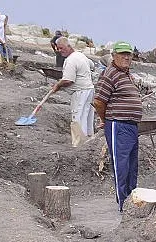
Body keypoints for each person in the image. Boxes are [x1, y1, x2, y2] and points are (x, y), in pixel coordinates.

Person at [93, 41, 143, 212]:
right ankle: (123, 204)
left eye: (128, 54)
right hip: (118, 124)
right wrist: (104, 119)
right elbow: (99, 101)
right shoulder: (110, 74)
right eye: (122, 54)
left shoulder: (127, 75)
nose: (126, 57)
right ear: (114, 56)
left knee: (132, 166)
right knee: (121, 166)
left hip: (131, 125)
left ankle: (132, 202)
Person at [49, 37, 95, 146]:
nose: (59, 50)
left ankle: (79, 144)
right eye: (58, 48)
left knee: (78, 117)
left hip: (80, 92)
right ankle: (89, 141)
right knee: (87, 116)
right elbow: (92, 65)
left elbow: (68, 80)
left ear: (69, 46)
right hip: (89, 90)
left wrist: (58, 85)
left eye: (61, 48)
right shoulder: (80, 55)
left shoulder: (71, 60)